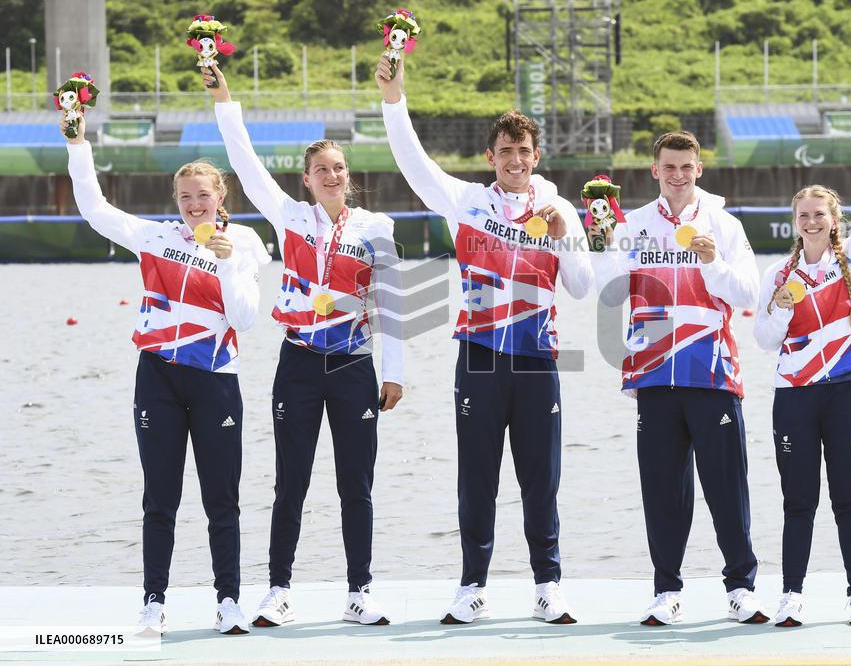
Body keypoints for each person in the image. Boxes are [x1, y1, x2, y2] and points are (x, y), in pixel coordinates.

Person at [376, 54, 593, 625]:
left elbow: (581, 286)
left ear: (536, 157)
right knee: (477, 477)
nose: (515, 160)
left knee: (540, 478)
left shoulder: (558, 208)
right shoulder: (466, 201)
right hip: (478, 356)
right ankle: (472, 585)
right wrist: (393, 99)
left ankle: (549, 585)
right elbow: (414, 164)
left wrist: (568, 236)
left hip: (538, 359)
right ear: (490, 158)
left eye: (524, 151)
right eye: (505, 152)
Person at [205, 64, 403, 627]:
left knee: (355, 486)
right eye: (321, 169)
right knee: (290, 482)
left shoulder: (377, 227)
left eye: (339, 168)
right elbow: (242, 158)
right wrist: (224, 97)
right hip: (298, 361)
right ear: (307, 179)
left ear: (348, 175)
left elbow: (391, 304)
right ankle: (279, 590)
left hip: (354, 364)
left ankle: (359, 591)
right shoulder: (289, 216)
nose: (332, 175)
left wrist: (395, 372)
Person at [63, 114, 270, 636]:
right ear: (176, 201)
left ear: (221, 196)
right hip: (157, 377)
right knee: (160, 495)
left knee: (221, 498)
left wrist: (223, 262)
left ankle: (228, 602)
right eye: (185, 197)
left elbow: (245, 318)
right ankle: (154, 603)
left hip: (216, 380)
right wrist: (79, 145)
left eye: (203, 195)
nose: (195, 204)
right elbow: (94, 209)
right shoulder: (155, 237)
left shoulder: (245, 243)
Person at [590, 130, 767, 626]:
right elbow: (607, 290)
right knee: (663, 491)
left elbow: (749, 293)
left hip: (712, 373)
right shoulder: (634, 224)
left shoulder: (725, 225)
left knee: (727, 488)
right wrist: (604, 242)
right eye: (669, 167)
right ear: (654, 171)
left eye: (686, 167)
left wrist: (712, 263)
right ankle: (666, 590)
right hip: (653, 376)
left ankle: (741, 588)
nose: (678, 175)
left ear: (699, 169)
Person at [753, 110, 851, 628]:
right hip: (793, 396)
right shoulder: (777, 272)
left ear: (835, 219)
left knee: (849, 498)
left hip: (844, 389)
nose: (812, 221)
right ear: (795, 222)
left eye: (820, 214)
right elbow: (764, 339)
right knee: (798, 501)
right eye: (804, 215)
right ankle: (792, 594)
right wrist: (785, 305)